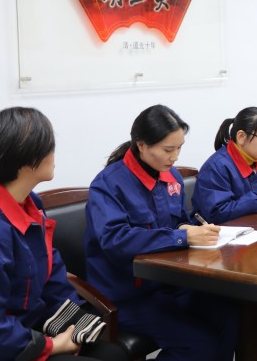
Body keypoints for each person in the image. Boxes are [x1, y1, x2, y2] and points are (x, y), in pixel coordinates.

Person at [0, 107, 125, 361]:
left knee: (113, 353)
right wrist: (53, 346)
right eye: (50, 147)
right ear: (28, 158)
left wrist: (73, 330)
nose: (54, 154)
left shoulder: (29, 203)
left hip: (24, 327)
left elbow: (51, 273)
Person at [84, 105, 237, 361]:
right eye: (168, 150)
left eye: (179, 148)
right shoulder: (108, 184)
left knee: (228, 315)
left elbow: (179, 221)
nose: (175, 157)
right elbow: (116, 240)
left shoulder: (170, 176)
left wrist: (190, 228)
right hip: (128, 295)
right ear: (142, 145)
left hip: (170, 283)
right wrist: (181, 236)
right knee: (200, 345)